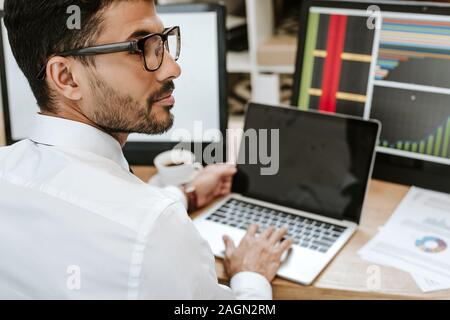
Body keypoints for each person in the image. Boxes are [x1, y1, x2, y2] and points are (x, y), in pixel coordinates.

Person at [0, 0, 292, 299]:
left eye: (162, 42)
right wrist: (250, 277)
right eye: (140, 47)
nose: (172, 68)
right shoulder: (155, 231)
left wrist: (185, 194)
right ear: (67, 77)